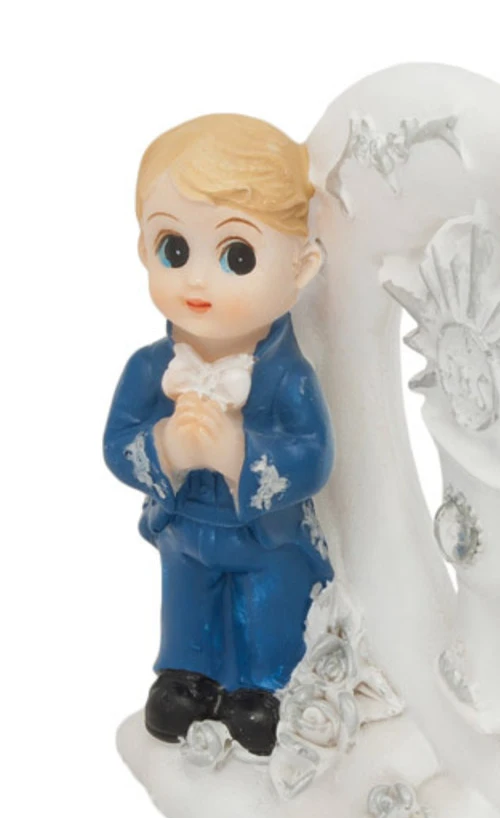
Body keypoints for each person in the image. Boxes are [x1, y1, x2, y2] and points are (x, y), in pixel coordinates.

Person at [103, 115, 333, 755]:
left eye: (237, 257)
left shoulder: (287, 378)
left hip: (264, 535)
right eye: (174, 251)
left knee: (268, 603)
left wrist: (238, 454)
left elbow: (313, 456)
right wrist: (169, 448)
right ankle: (187, 674)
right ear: (144, 250)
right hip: (183, 528)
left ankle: (264, 686)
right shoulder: (151, 368)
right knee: (187, 599)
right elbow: (117, 441)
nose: (197, 281)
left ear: (301, 266)